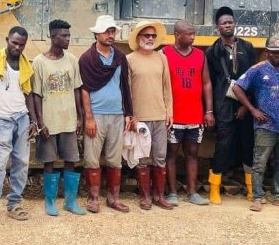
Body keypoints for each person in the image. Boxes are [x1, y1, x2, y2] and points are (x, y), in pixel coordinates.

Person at [232, 35, 279, 212]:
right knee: (259, 162)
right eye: (273, 51)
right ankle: (257, 197)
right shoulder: (258, 70)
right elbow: (237, 87)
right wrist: (252, 109)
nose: (276, 55)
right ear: (267, 52)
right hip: (265, 126)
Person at [0, 27, 37, 225]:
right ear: (7, 39)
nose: (17, 47)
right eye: (14, 42)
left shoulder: (26, 66)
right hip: (1, 120)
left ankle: (14, 204)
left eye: (21, 44)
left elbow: (27, 94)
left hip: (21, 118)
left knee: (21, 163)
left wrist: (33, 120)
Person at [78, 15, 134, 213]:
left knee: (115, 159)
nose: (111, 35)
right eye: (107, 31)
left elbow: (124, 86)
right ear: (96, 34)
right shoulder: (87, 59)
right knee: (92, 158)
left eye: (113, 31)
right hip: (97, 114)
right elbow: (84, 89)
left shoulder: (119, 58)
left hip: (117, 115)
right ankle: (93, 198)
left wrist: (128, 113)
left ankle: (113, 198)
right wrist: (89, 118)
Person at [32, 19, 85, 217]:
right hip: (49, 121)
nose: (67, 39)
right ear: (53, 37)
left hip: (68, 119)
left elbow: (77, 89)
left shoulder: (72, 60)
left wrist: (80, 117)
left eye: (69, 36)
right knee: (49, 161)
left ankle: (70, 201)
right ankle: (50, 202)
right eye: (64, 36)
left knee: (71, 159)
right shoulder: (39, 62)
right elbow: (36, 94)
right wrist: (40, 122)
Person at [205, 7, 257, 204]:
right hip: (223, 103)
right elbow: (208, 81)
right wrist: (210, 110)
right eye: (223, 23)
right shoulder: (212, 51)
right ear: (217, 27)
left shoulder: (247, 47)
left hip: (245, 102)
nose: (228, 25)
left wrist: (247, 104)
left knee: (247, 143)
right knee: (223, 144)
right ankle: (214, 188)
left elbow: (253, 77)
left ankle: (252, 189)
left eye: (230, 22)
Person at [162, 20, 214, 206]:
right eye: (189, 34)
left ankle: (192, 192)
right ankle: (172, 193)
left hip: (195, 115)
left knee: (192, 154)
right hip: (173, 116)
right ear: (177, 35)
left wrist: (209, 110)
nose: (193, 37)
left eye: (194, 34)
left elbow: (207, 83)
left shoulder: (200, 55)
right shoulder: (165, 53)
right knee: (171, 154)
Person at [127, 20, 174, 209]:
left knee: (160, 156)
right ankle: (145, 196)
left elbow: (167, 87)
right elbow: (127, 91)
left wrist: (169, 111)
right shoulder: (129, 59)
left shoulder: (161, 58)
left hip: (160, 115)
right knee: (142, 157)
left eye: (153, 36)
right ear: (138, 38)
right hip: (140, 117)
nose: (150, 39)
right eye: (146, 35)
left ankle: (159, 196)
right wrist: (131, 116)